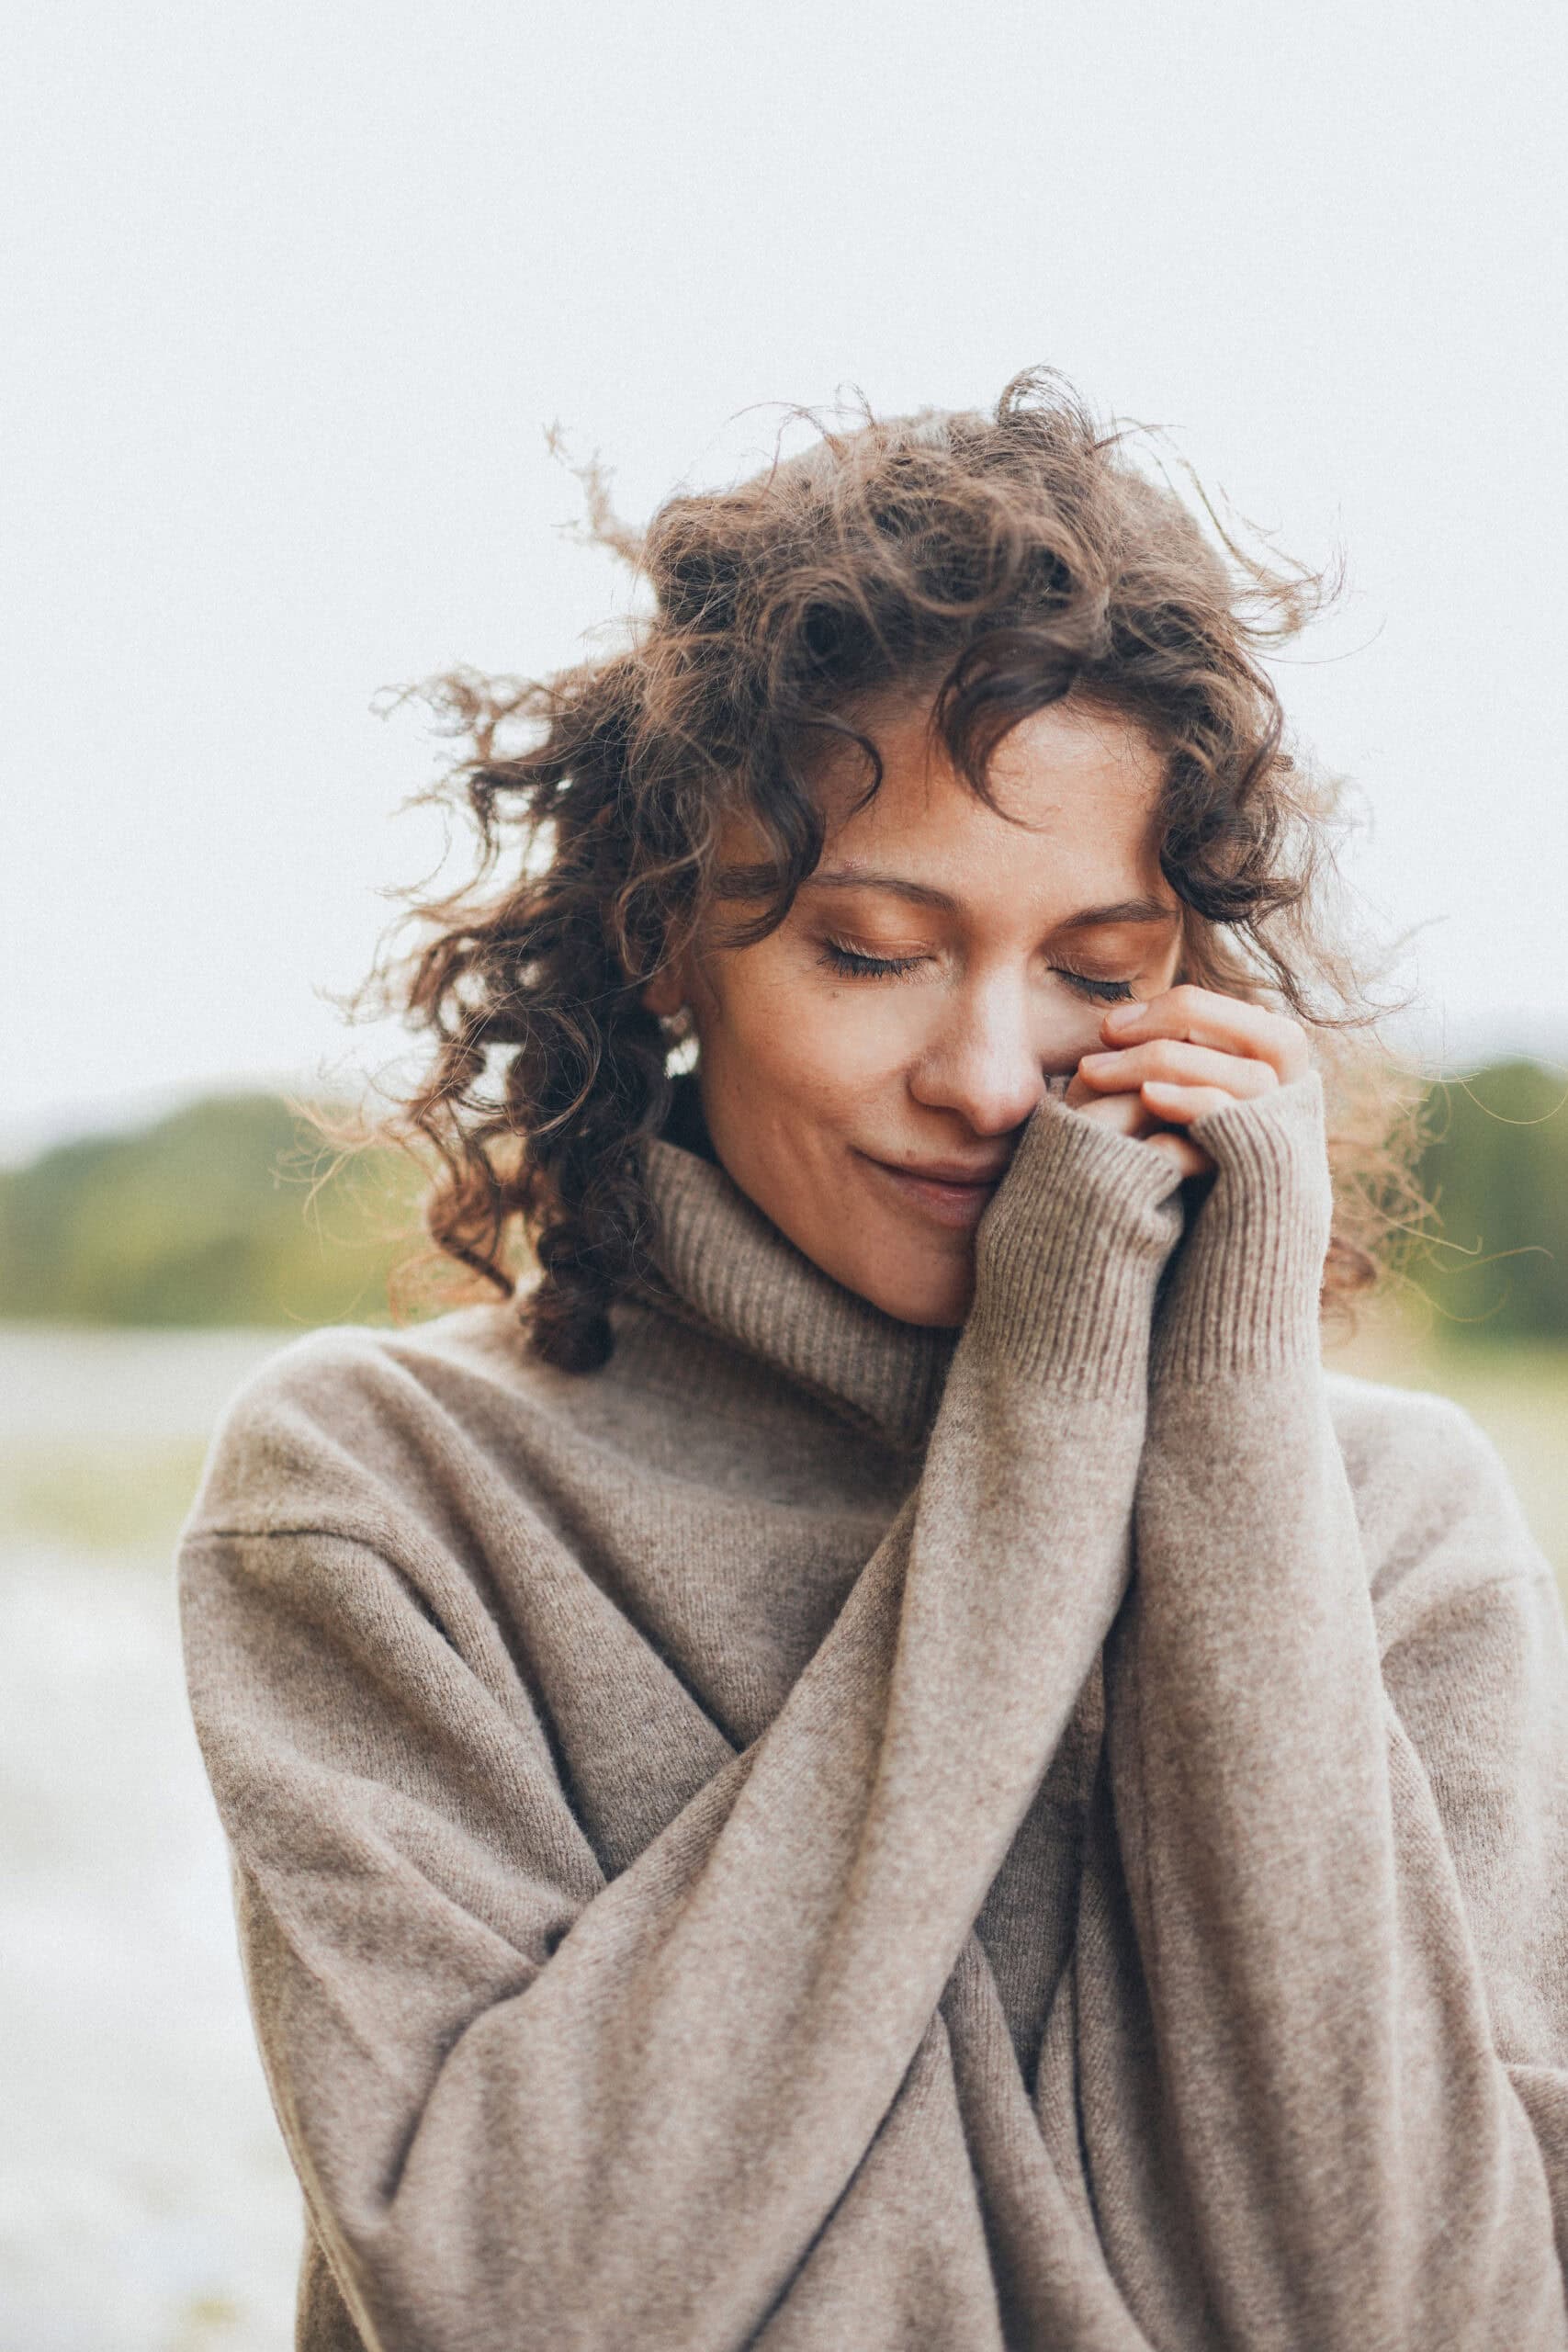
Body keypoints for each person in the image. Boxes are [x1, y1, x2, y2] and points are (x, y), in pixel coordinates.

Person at [178, 373, 1568, 2351]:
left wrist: (1220, 1444)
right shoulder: (384, 1487)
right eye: (868, 947)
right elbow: (513, 2296)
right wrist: (1042, 1420)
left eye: (1095, 970)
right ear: (670, 936)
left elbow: (1434, 2310)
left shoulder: (1389, 1523)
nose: (994, 1079)